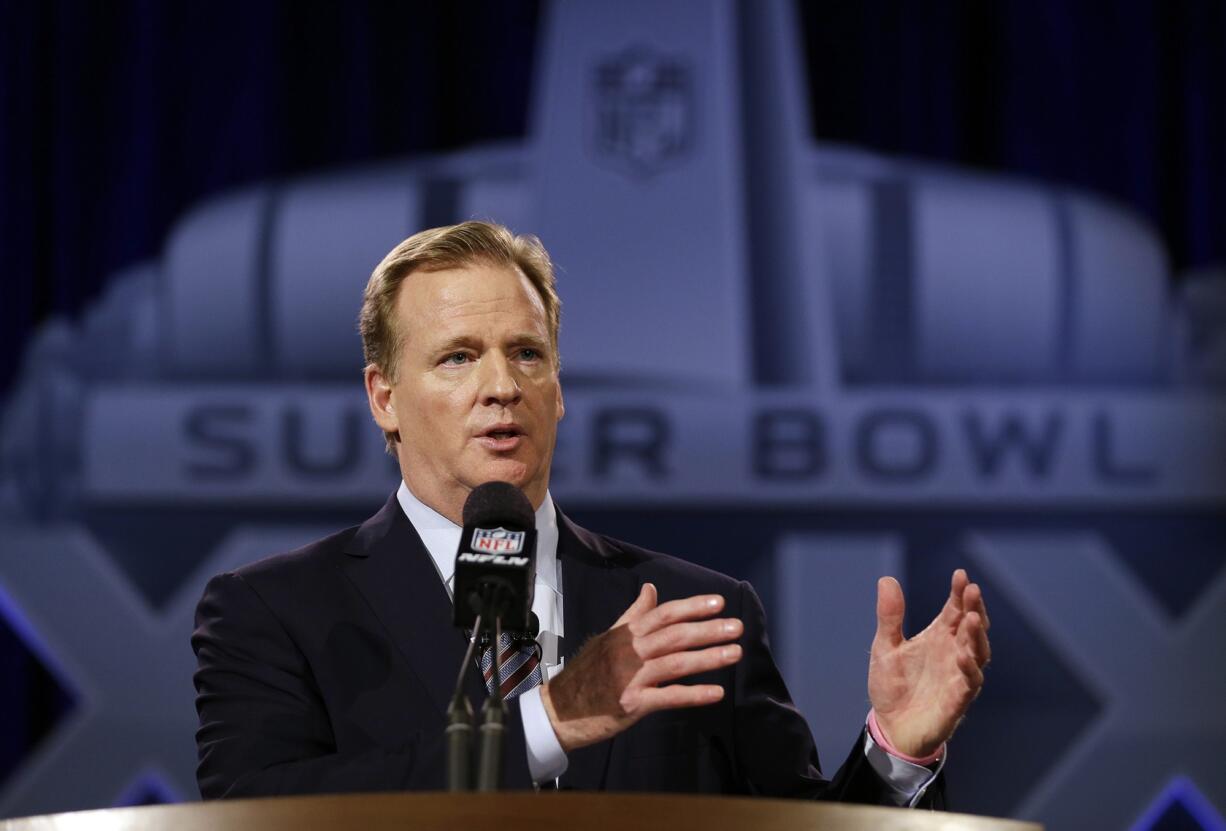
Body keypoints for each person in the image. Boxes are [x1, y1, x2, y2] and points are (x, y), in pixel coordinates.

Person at [192, 221, 990, 805]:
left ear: (560, 388)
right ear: (384, 397)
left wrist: (896, 752)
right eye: (459, 356)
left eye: (527, 353)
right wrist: (544, 721)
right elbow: (258, 815)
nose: (501, 385)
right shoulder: (278, 612)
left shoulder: (694, 616)